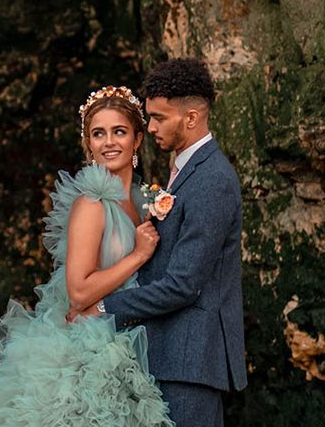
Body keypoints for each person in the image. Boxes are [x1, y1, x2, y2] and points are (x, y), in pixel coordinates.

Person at [0, 85, 174, 427]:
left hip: (132, 334)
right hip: (89, 348)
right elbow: (78, 293)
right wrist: (138, 255)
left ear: (137, 139)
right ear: (88, 144)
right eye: (98, 134)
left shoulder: (142, 200)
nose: (108, 142)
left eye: (119, 132)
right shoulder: (91, 203)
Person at [76, 57, 246, 426]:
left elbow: (183, 284)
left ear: (191, 117)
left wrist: (104, 307)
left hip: (190, 360)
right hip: (171, 355)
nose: (150, 126)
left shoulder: (213, 179)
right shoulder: (185, 172)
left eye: (158, 118)